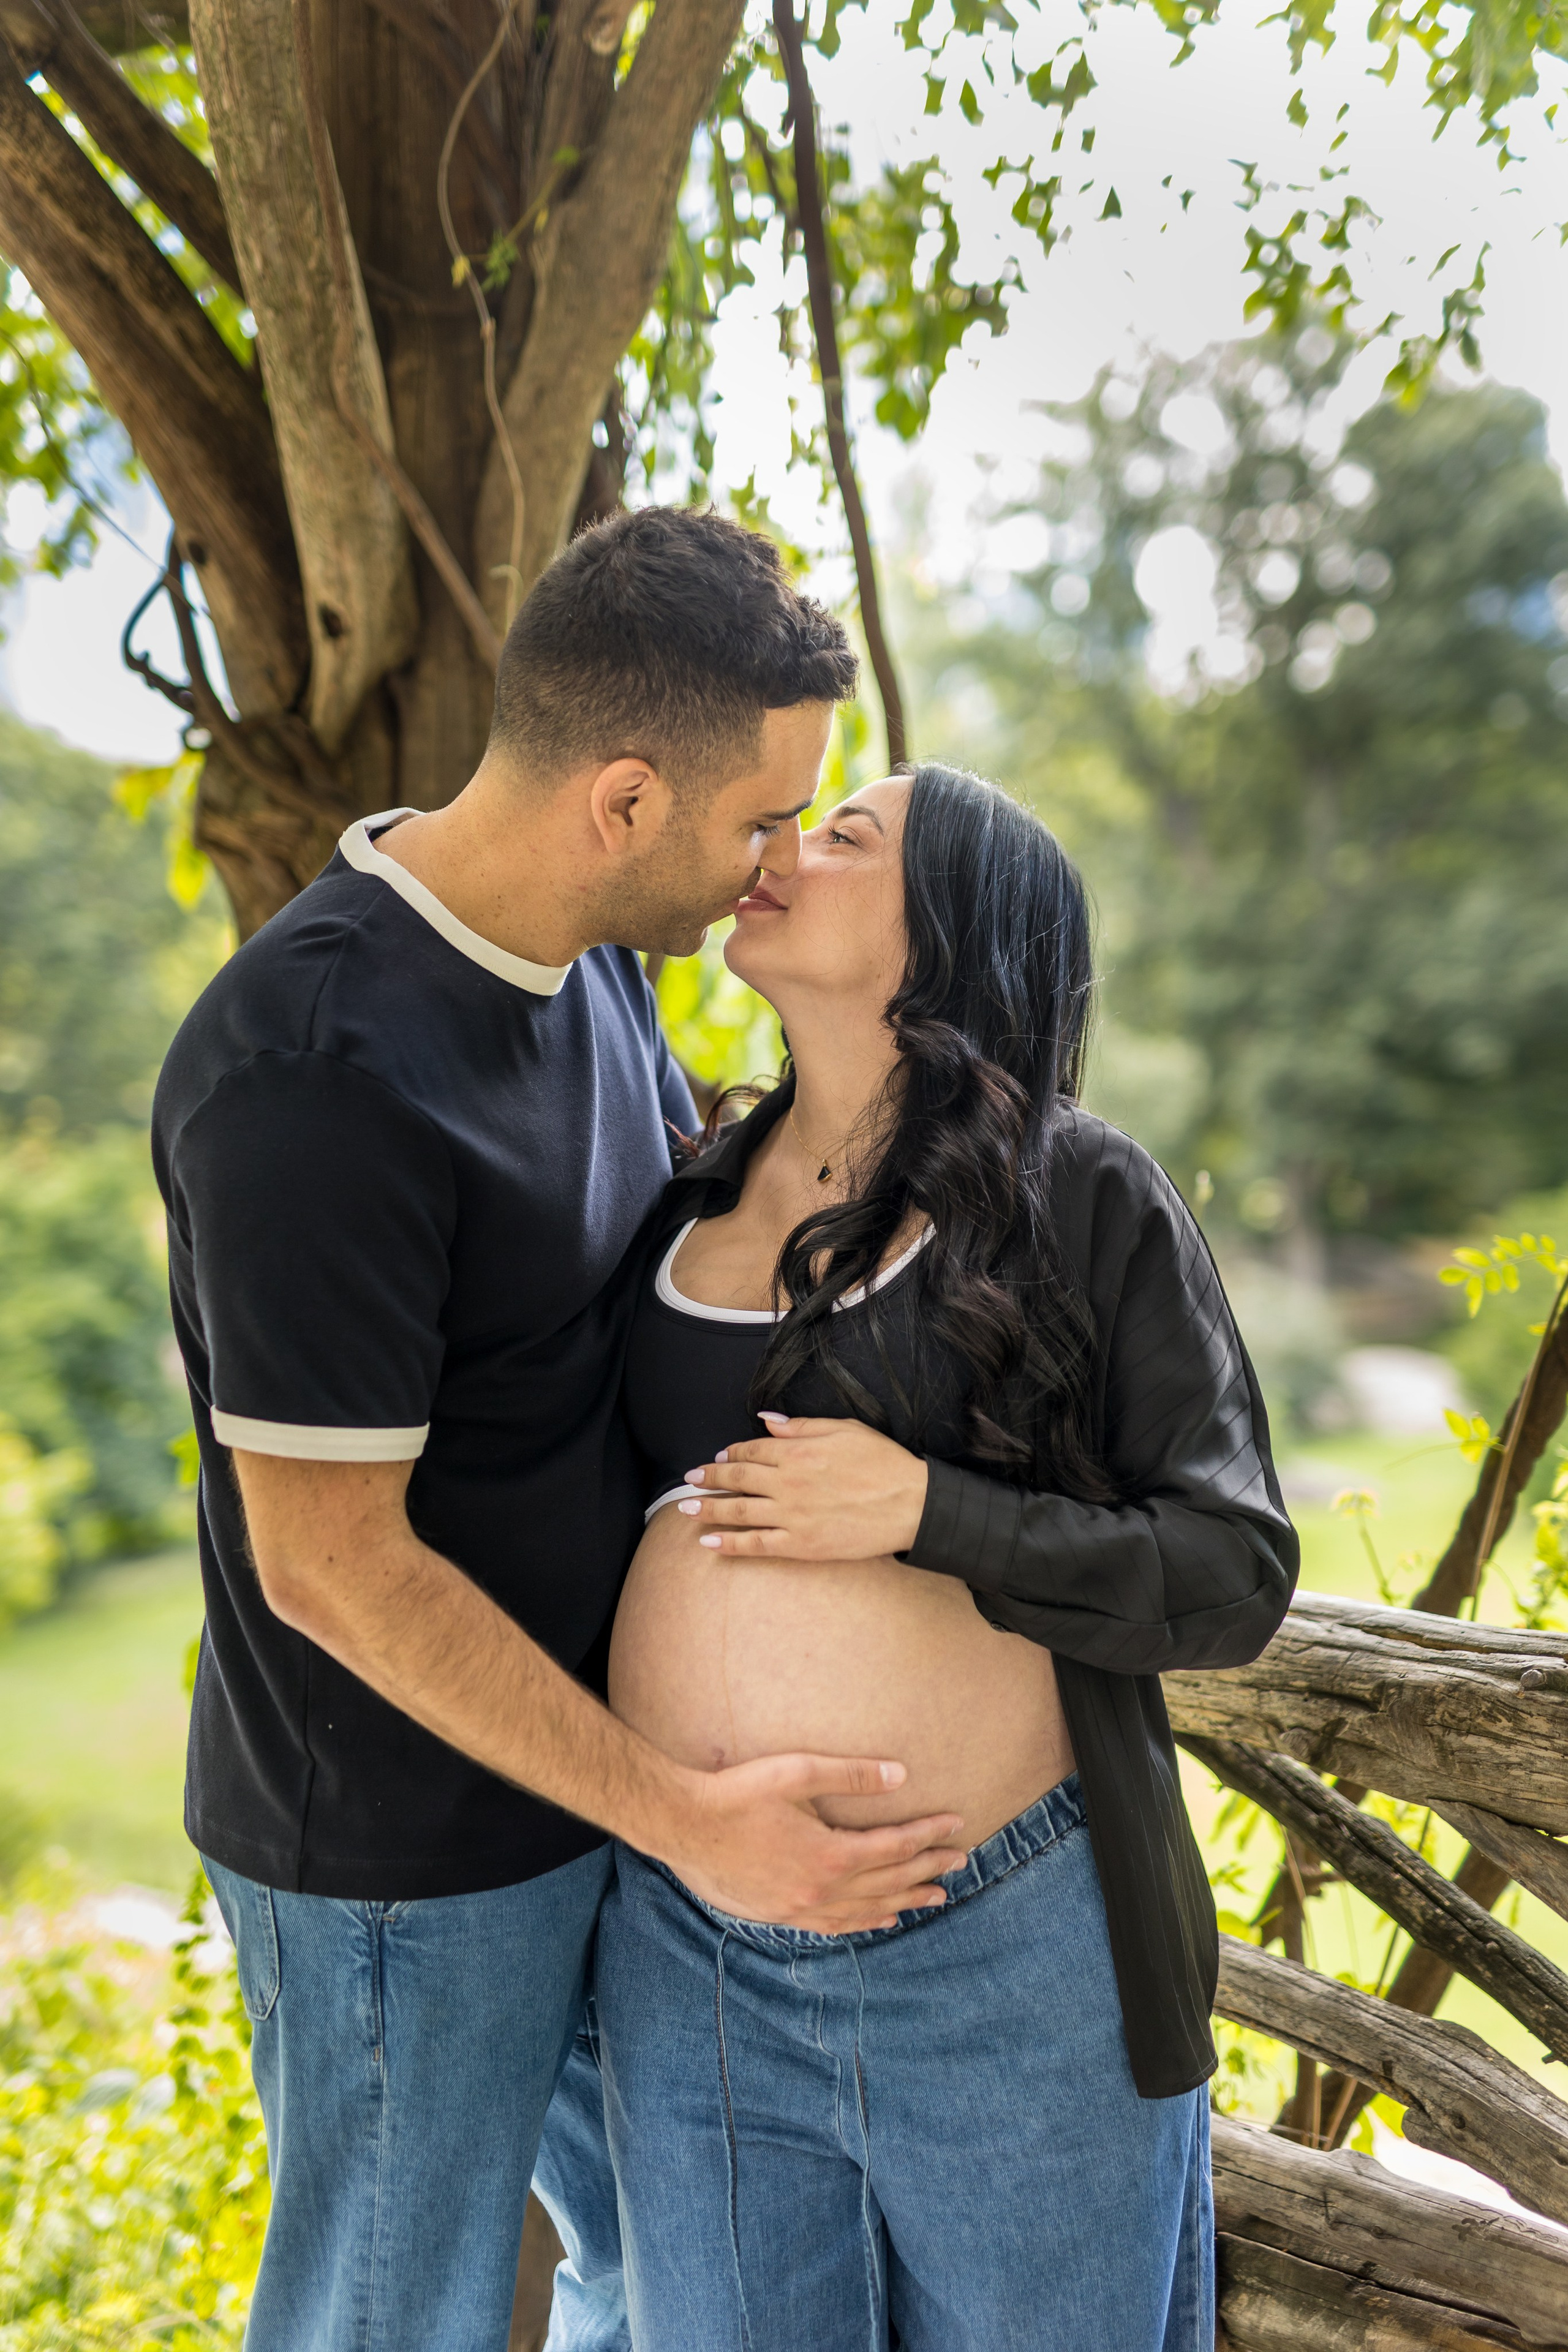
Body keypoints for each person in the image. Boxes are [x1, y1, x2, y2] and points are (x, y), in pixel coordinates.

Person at [150, 511, 970, 2352]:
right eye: (760, 824)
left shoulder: (594, 957)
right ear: (620, 801)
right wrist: (689, 1821)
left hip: (585, 1791)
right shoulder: (313, 1081)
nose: (770, 871)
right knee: (392, 2318)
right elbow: (333, 1569)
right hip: (397, 1861)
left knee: (647, 2274)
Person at [579, 763, 1298, 2351]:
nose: (783, 843)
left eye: (847, 835)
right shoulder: (682, 1181)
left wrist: (925, 1515)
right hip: (695, 1943)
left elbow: (1234, 1568)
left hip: (996, 1960)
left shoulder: (1080, 1192)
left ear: (952, 932)